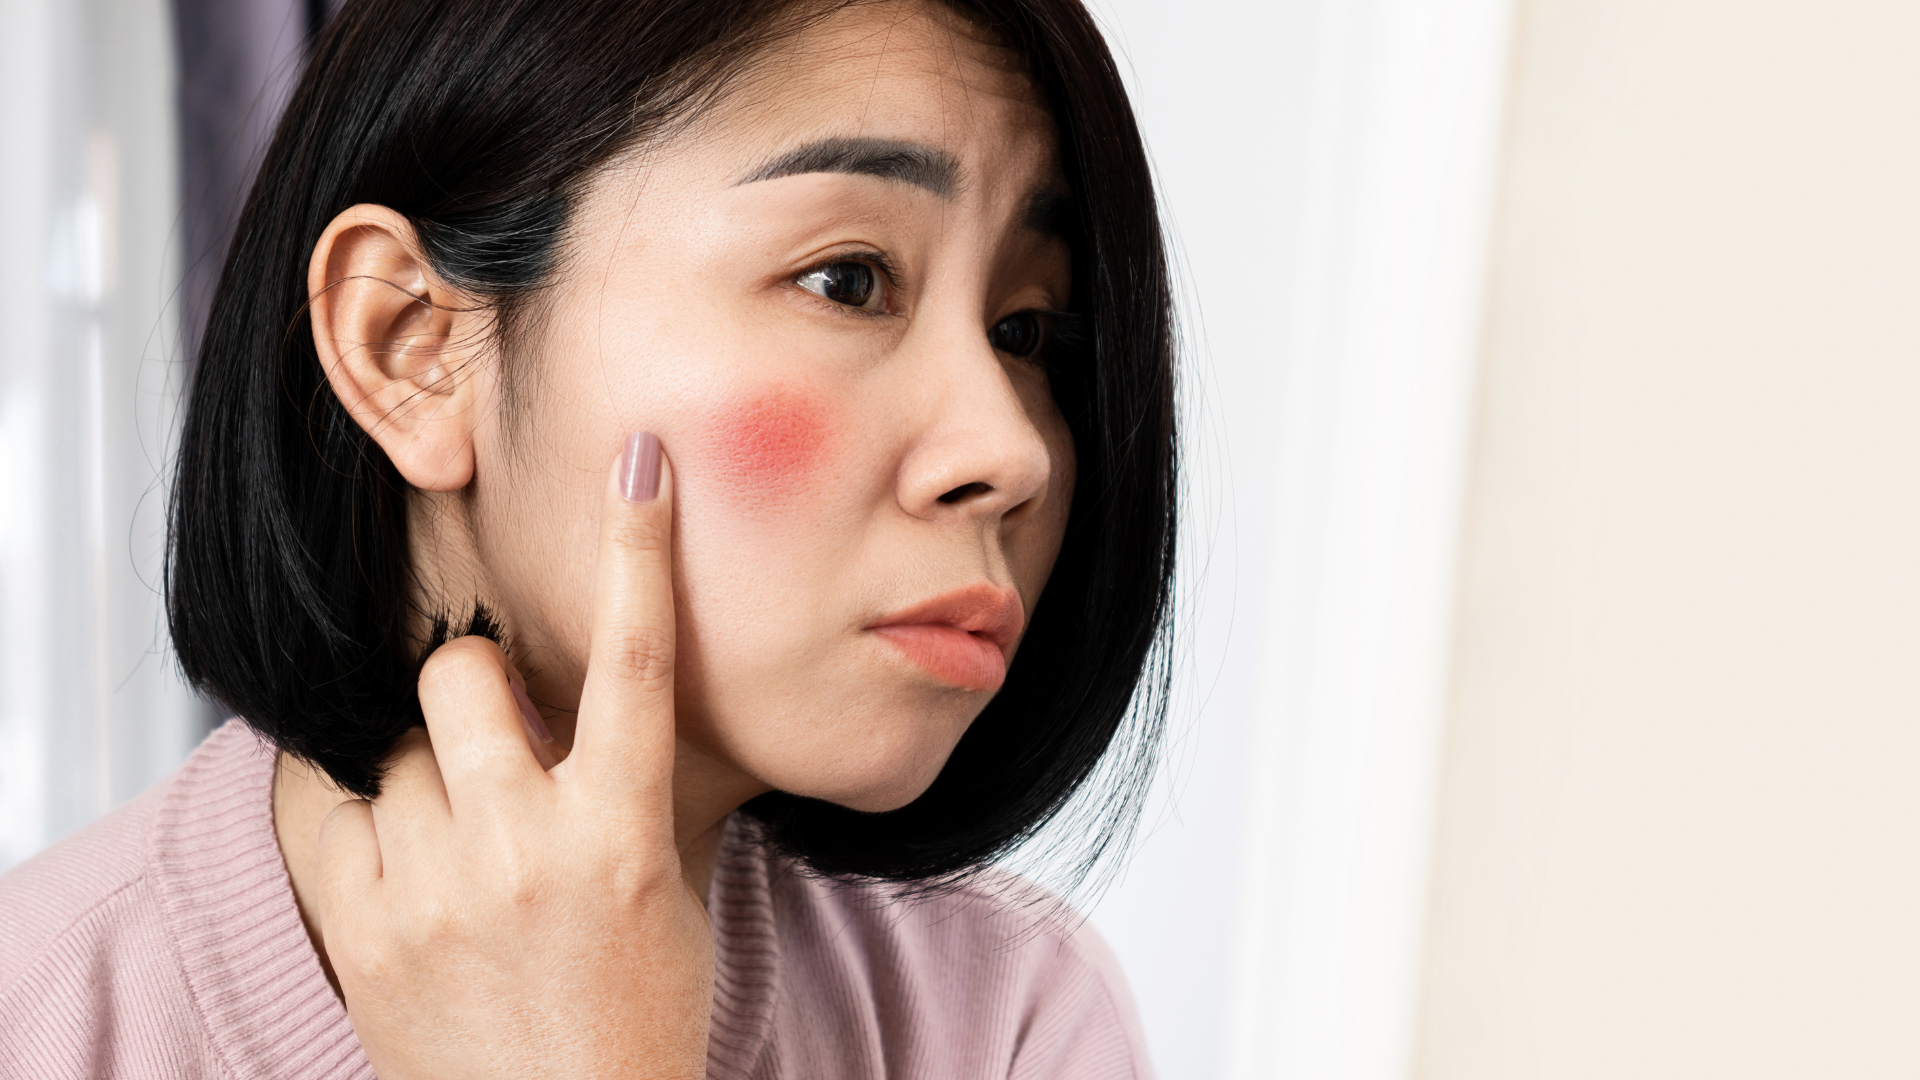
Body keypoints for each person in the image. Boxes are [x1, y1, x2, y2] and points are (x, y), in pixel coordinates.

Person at [0, 0, 1176, 1075]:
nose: (1012, 450)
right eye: (849, 279)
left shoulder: (1011, 1022)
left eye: (1024, 330)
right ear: (411, 343)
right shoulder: (43, 1017)